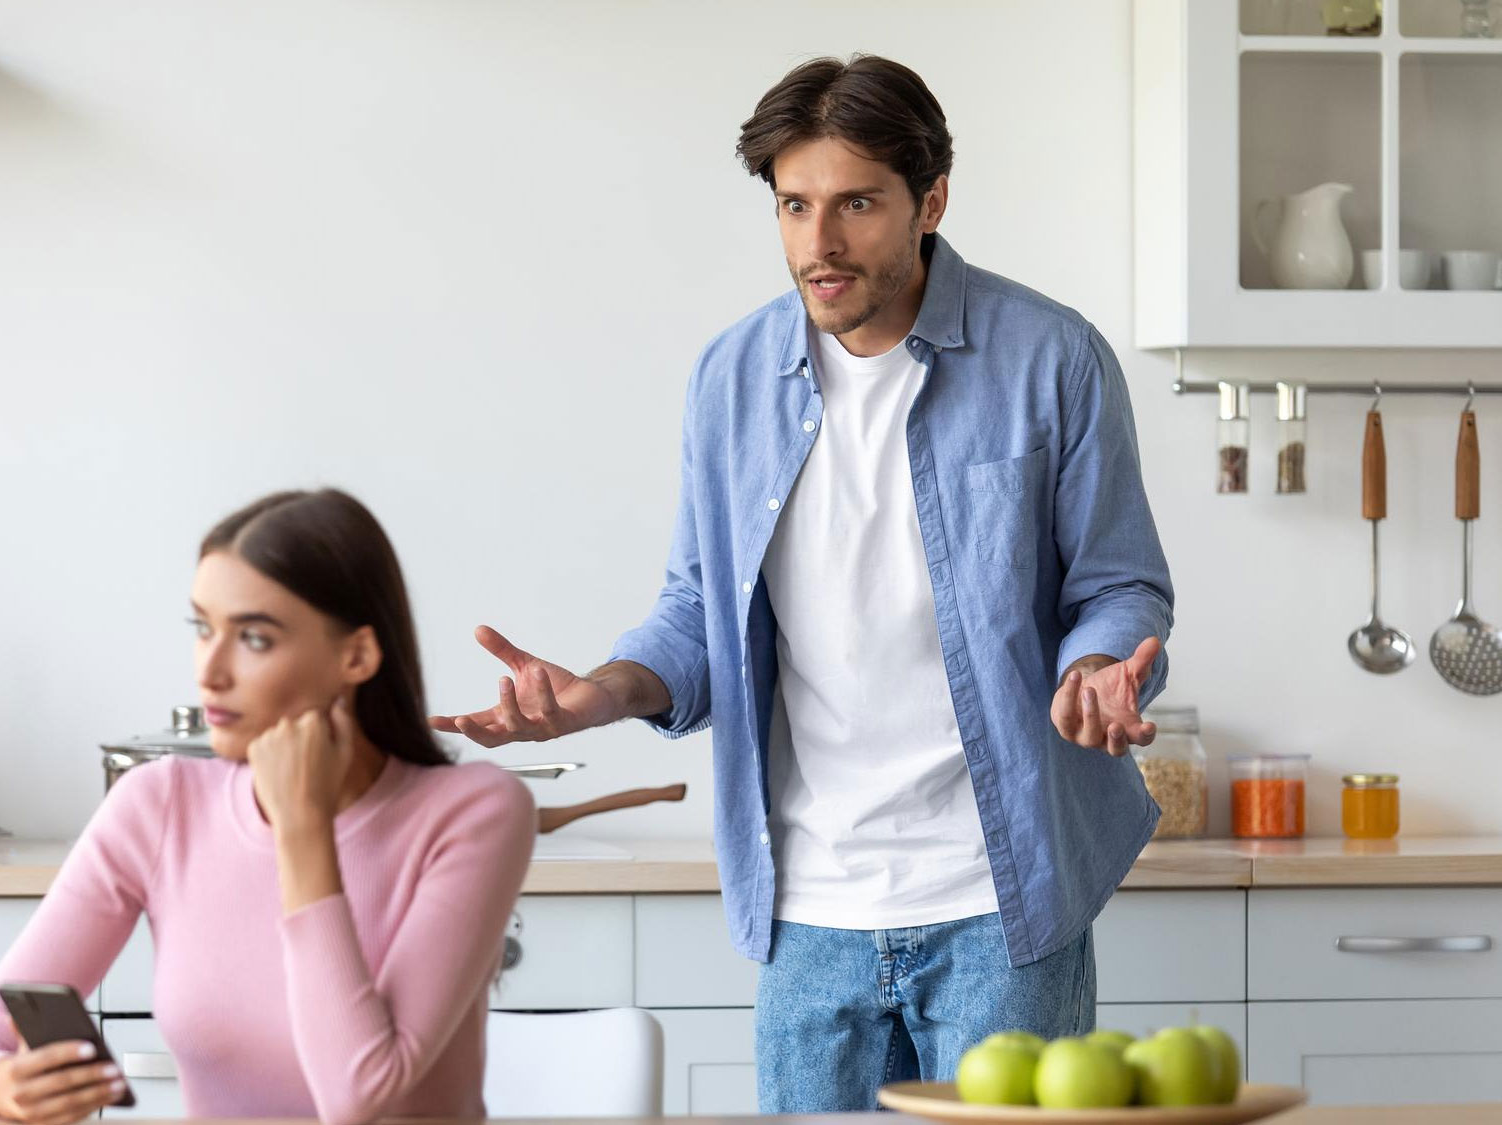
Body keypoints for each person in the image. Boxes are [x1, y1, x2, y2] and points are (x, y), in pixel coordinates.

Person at [431, 55, 1174, 1112]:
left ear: (931, 202)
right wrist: (598, 693)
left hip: (999, 903)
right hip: (808, 914)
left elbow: (1117, 583)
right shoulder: (729, 377)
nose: (816, 245)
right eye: (792, 206)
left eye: (854, 205)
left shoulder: (1050, 360)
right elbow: (697, 608)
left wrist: (1099, 665)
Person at [0, 488, 536, 1125]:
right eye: (202, 627)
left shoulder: (475, 814)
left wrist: (301, 829)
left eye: (253, 637)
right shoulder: (159, 803)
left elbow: (360, 1096)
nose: (210, 671)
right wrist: (0, 1088)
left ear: (356, 654)